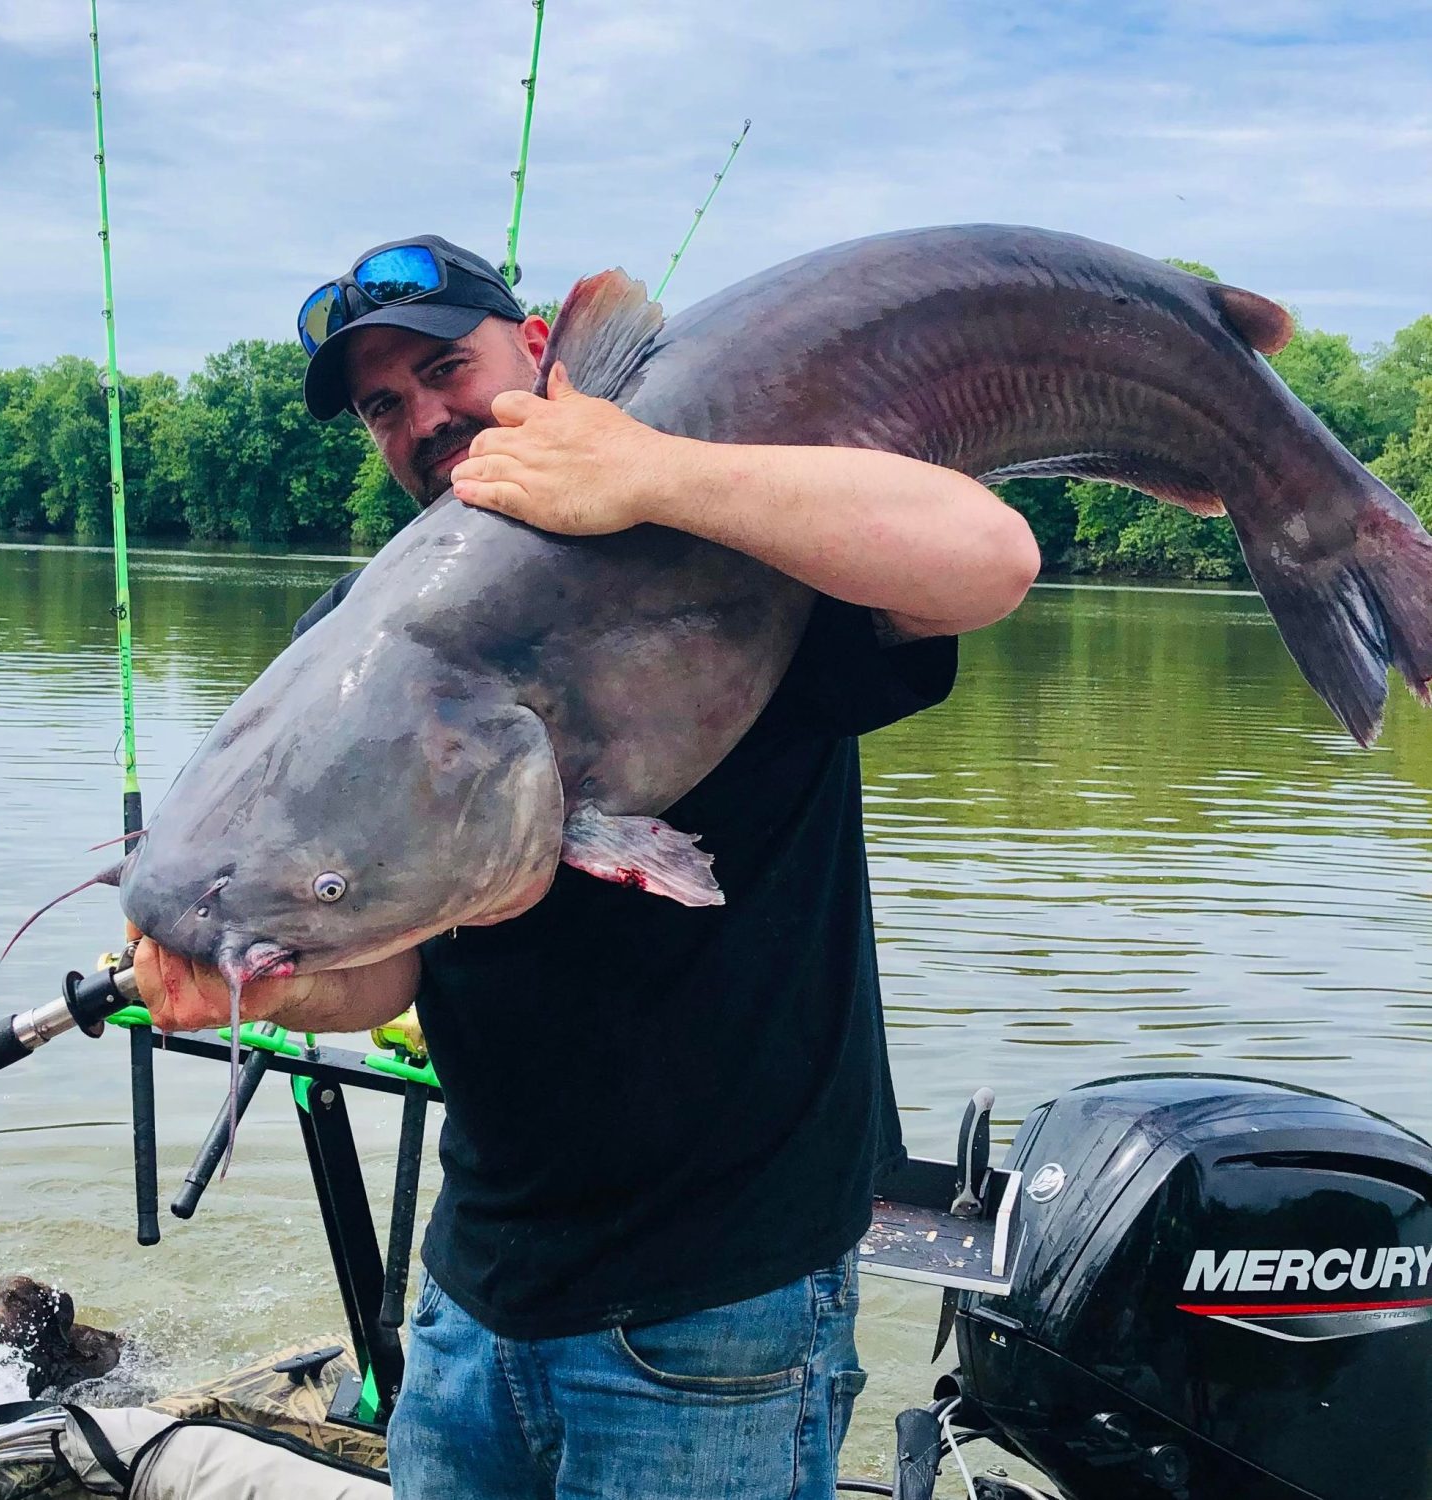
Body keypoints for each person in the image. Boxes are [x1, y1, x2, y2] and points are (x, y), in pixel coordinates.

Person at [130, 235, 1039, 1499]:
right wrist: (277, 977)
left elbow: (989, 560)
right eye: (384, 405)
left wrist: (650, 469)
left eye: (447, 367)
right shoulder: (352, 637)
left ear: (541, 350)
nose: (423, 417)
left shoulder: (739, 541)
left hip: (720, 1305)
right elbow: (384, 971)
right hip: (475, 1287)